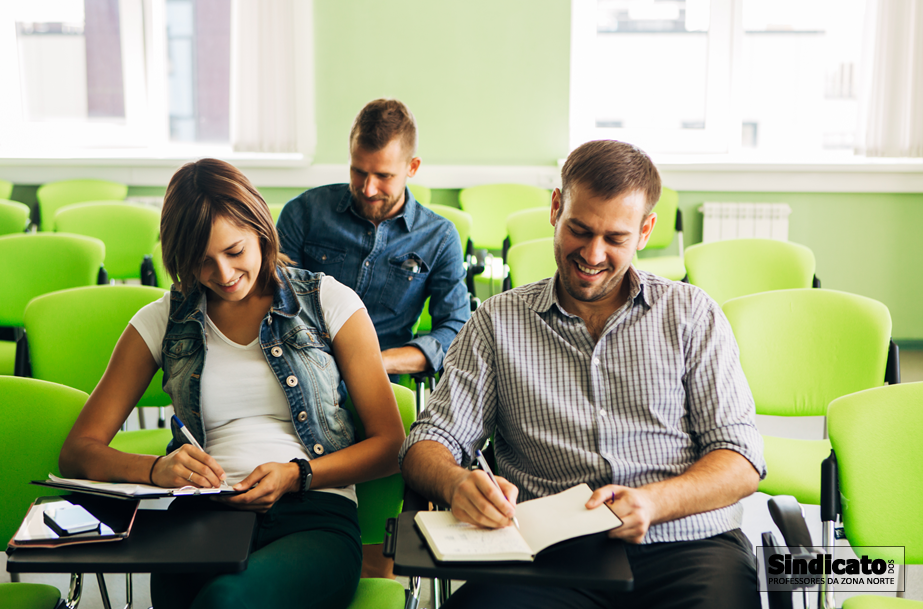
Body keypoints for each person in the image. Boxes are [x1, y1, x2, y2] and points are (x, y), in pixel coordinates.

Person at [399, 140, 767, 609]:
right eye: (580, 230)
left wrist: (654, 502)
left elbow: (740, 458)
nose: (593, 255)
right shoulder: (497, 321)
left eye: (615, 239)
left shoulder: (692, 315)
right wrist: (455, 483)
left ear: (645, 230)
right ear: (556, 208)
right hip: (547, 558)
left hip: (686, 545)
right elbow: (428, 443)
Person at [59, 158, 406, 609]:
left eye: (234, 251)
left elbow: (390, 444)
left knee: (225, 600)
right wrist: (154, 470)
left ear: (260, 227)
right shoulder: (162, 319)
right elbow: (77, 451)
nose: (222, 274)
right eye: (202, 262)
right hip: (203, 518)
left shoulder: (329, 302)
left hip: (313, 516)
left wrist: (296, 475)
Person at [276, 98, 470, 379]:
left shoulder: (439, 237)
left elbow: (455, 329)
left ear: (412, 167)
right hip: (302, 370)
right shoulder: (303, 212)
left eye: (383, 175)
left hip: (382, 378)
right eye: (358, 171)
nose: (368, 189)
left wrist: (375, 362)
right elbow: (273, 298)